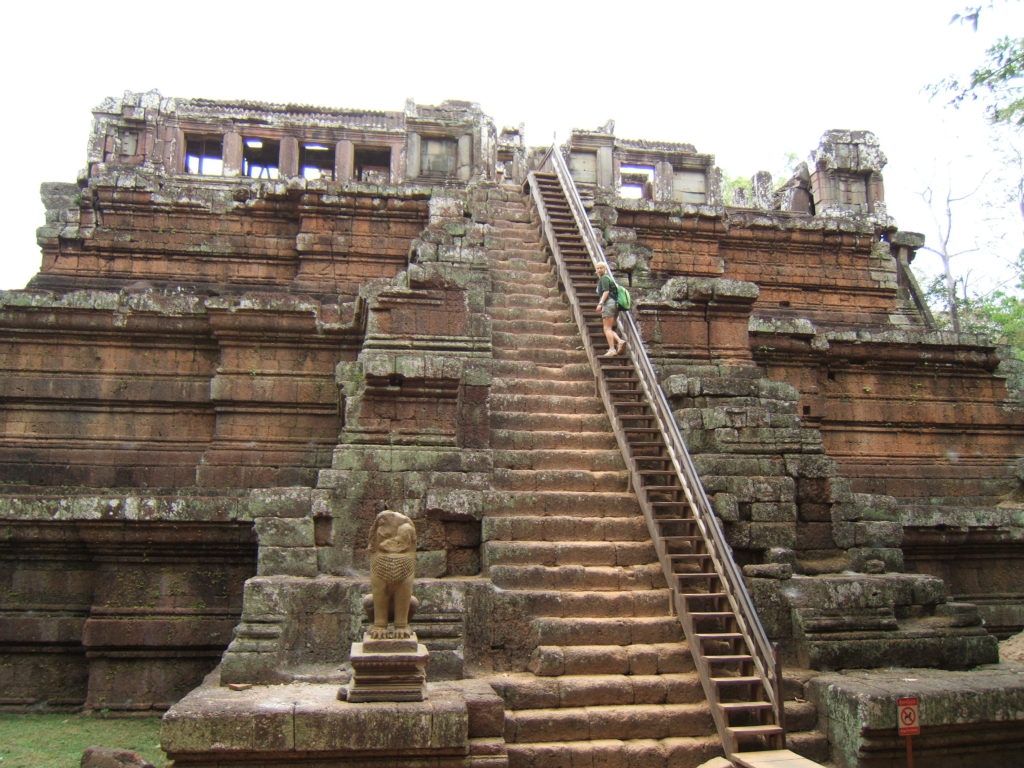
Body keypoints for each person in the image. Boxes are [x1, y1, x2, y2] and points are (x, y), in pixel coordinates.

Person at [595, 262, 626, 357]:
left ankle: (612, 349)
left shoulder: (604, 278)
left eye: (601, 268)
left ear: (605, 269)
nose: (599, 270)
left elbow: (606, 292)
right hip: (614, 305)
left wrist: (600, 303)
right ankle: (620, 341)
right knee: (609, 327)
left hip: (608, 304)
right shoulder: (609, 278)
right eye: (598, 268)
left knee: (606, 328)